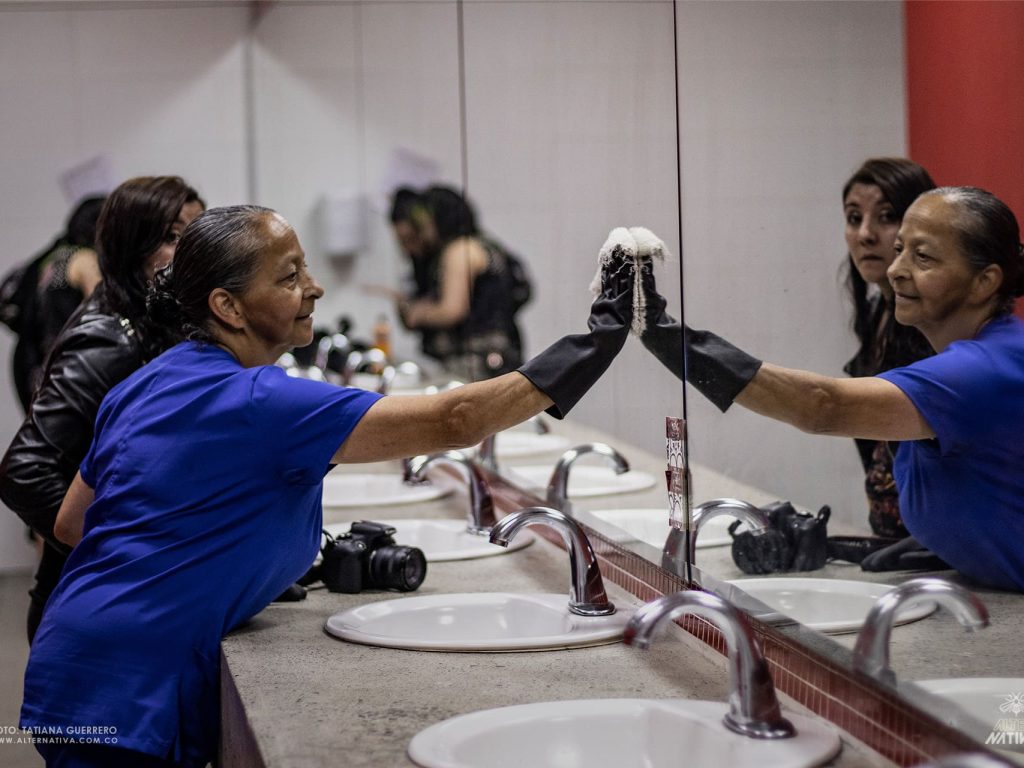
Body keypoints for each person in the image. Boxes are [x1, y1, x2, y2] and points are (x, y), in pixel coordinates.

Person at [20, 208, 638, 767]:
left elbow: (76, 525)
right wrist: (594, 344)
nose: (312, 288)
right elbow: (456, 420)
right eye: (289, 277)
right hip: (134, 690)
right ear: (228, 307)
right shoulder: (261, 399)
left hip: (69, 665)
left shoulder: (146, 383)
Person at [639, 187, 1024, 590]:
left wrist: (672, 341)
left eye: (923, 257)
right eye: (900, 250)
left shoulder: (982, 369)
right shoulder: (988, 354)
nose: (895, 270)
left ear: (984, 282)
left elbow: (824, 406)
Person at [0, 176, 204, 643]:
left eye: (193, 236)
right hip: (90, 609)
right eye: (172, 238)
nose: (190, 253)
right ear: (131, 249)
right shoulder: (109, 338)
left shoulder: (154, 323)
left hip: (119, 601)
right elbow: (23, 470)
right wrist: (125, 551)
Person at [839, 158, 936, 538]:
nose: (865, 234)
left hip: (938, 548)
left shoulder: (935, 326)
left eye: (886, 216)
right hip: (896, 542)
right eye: (853, 217)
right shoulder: (878, 313)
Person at [387, 185, 530, 380]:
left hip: (478, 364)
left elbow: (451, 310)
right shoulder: (482, 244)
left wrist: (418, 313)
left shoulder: (459, 251)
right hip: (497, 358)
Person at [0, 195, 106, 411]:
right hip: (66, 371)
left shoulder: (51, 258)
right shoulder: (85, 260)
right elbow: (106, 312)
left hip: (33, 365)